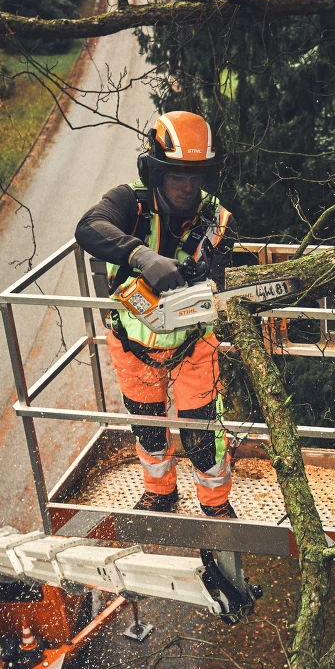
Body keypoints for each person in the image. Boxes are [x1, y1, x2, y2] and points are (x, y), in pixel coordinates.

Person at [75, 111, 238, 519]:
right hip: (132, 342)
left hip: (192, 343)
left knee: (201, 434)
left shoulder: (215, 218)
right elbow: (88, 227)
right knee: (147, 427)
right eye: (178, 175)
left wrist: (203, 278)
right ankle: (159, 492)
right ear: (155, 171)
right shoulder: (129, 201)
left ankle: (216, 504)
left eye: (196, 176)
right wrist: (142, 256)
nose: (188, 186)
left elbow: (221, 276)